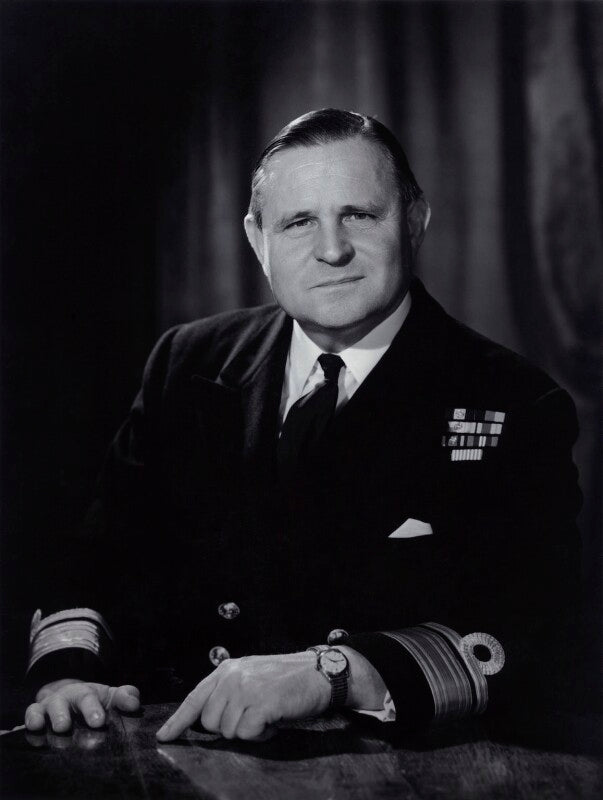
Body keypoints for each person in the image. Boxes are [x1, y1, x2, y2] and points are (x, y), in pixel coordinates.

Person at [23, 109, 582, 742]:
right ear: (257, 239)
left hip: (385, 768)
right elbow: (96, 559)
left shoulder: (513, 403)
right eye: (298, 222)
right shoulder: (187, 365)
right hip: (179, 747)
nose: (332, 249)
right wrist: (68, 676)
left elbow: (536, 631)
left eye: (360, 216)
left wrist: (336, 673)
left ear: (415, 220)